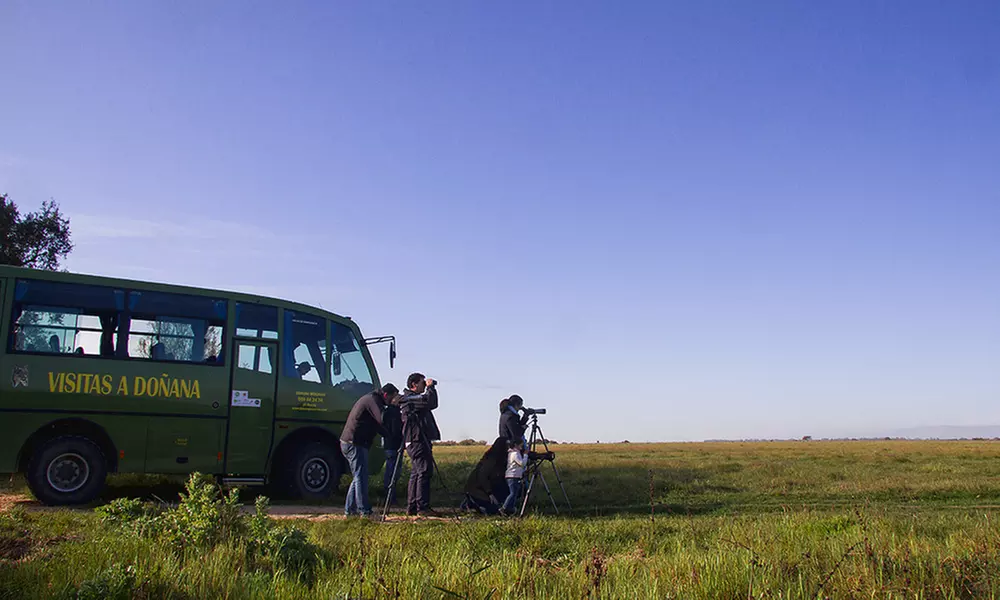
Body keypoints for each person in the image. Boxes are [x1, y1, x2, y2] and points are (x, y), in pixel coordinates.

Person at [340, 384, 396, 517]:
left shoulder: (371, 399)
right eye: (391, 399)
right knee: (361, 476)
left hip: (351, 442)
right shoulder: (373, 400)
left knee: (358, 477)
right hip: (354, 443)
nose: (391, 402)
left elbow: (377, 425)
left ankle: (350, 511)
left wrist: (391, 436)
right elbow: (381, 419)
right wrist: (394, 409)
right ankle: (365, 511)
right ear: (386, 395)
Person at [399, 372, 441, 516]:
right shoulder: (411, 399)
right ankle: (422, 507)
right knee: (423, 471)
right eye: (422, 383)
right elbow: (431, 403)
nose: (424, 385)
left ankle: (412, 506)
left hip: (415, 439)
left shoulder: (410, 399)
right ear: (414, 384)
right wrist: (431, 388)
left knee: (416, 473)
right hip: (417, 440)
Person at [461, 438, 509, 515]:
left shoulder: (502, 460)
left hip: (489, 488)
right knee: (491, 511)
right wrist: (490, 493)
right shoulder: (491, 460)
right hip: (478, 489)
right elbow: (482, 477)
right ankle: (469, 503)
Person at [382, 388, 404, 507]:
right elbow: (395, 429)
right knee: (392, 472)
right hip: (393, 445)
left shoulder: (388, 412)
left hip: (391, 445)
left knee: (393, 472)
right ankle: (390, 498)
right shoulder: (392, 412)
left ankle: (390, 497)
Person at [501, 438, 527, 516]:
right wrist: (526, 455)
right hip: (513, 476)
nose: (522, 446)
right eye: (521, 445)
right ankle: (504, 508)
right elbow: (522, 464)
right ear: (516, 445)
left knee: (514, 493)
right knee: (513, 493)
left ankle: (510, 509)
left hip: (513, 475)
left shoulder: (513, 453)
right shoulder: (515, 454)